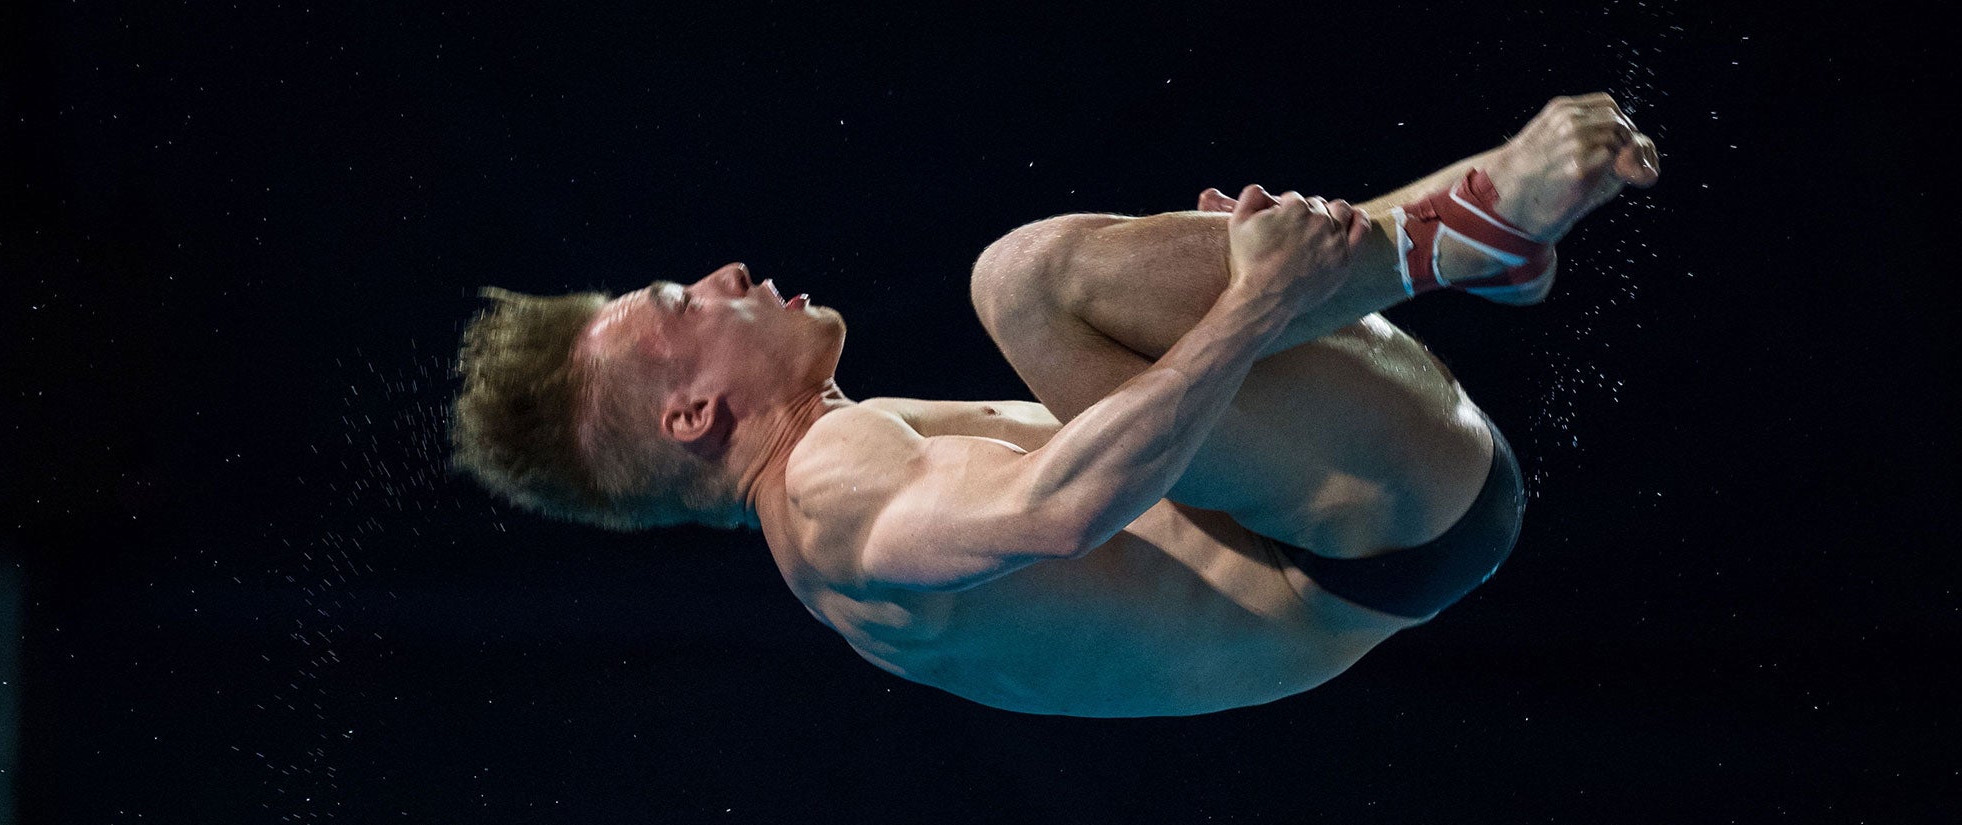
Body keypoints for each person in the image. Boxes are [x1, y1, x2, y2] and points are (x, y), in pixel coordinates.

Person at [451, 94, 1657, 718]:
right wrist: (1244, 311)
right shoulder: (828, 497)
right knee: (1022, 281)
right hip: (1378, 533)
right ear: (692, 415)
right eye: (683, 302)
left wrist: (1220, 291)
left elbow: (1136, 468)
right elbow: (1064, 506)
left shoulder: (830, 487)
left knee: (1105, 292)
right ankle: (1465, 231)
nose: (721, 277)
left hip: (1351, 535)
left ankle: (1465, 238)